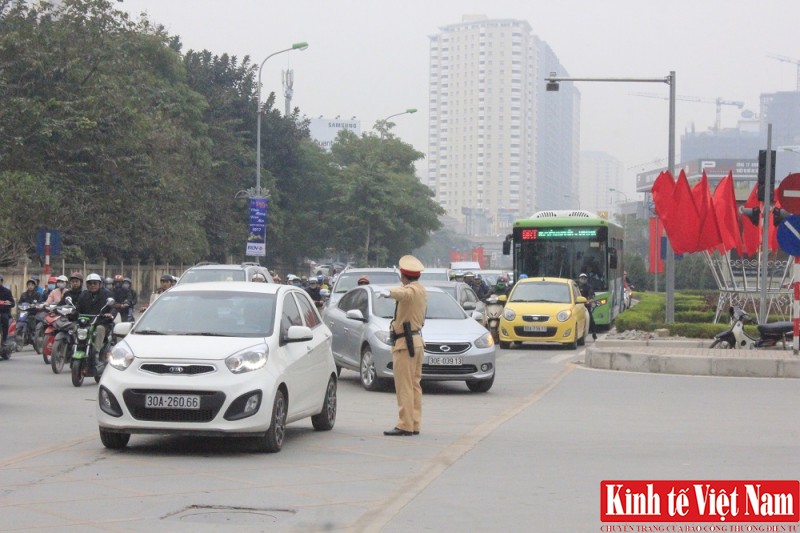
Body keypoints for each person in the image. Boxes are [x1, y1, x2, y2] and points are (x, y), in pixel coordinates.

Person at [378, 255, 427, 437]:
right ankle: (414, 423)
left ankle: (405, 424)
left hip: (406, 344)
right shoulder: (421, 290)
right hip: (415, 342)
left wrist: (388, 293)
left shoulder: (411, 291)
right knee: (414, 385)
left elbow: (403, 293)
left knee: (404, 386)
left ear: (403, 275)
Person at [75, 273, 116, 371]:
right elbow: (78, 307)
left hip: (103, 322)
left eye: (95, 283)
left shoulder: (107, 295)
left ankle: (96, 352)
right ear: (87, 285)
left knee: (99, 329)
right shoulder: (84, 294)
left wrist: (110, 314)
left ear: (100, 284)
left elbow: (113, 307)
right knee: (74, 328)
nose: (92, 285)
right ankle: (75, 348)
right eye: (90, 283)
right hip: (86, 323)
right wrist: (73, 312)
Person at [577, 273, 597, 340]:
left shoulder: (588, 287)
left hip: (585, 305)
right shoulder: (575, 286)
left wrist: (590, 299)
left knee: (590, 319)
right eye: (582, 278)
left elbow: (591, 294)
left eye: (584, 278)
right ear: (579, 279)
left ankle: (594, 333)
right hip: (576, 305)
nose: (583, 280)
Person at [0, 275, 15, 347]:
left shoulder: (7, 291)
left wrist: (8, 303)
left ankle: (4, 339)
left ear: (1, 282)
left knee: (5, 320)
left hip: (3, 312)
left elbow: (13, 303)